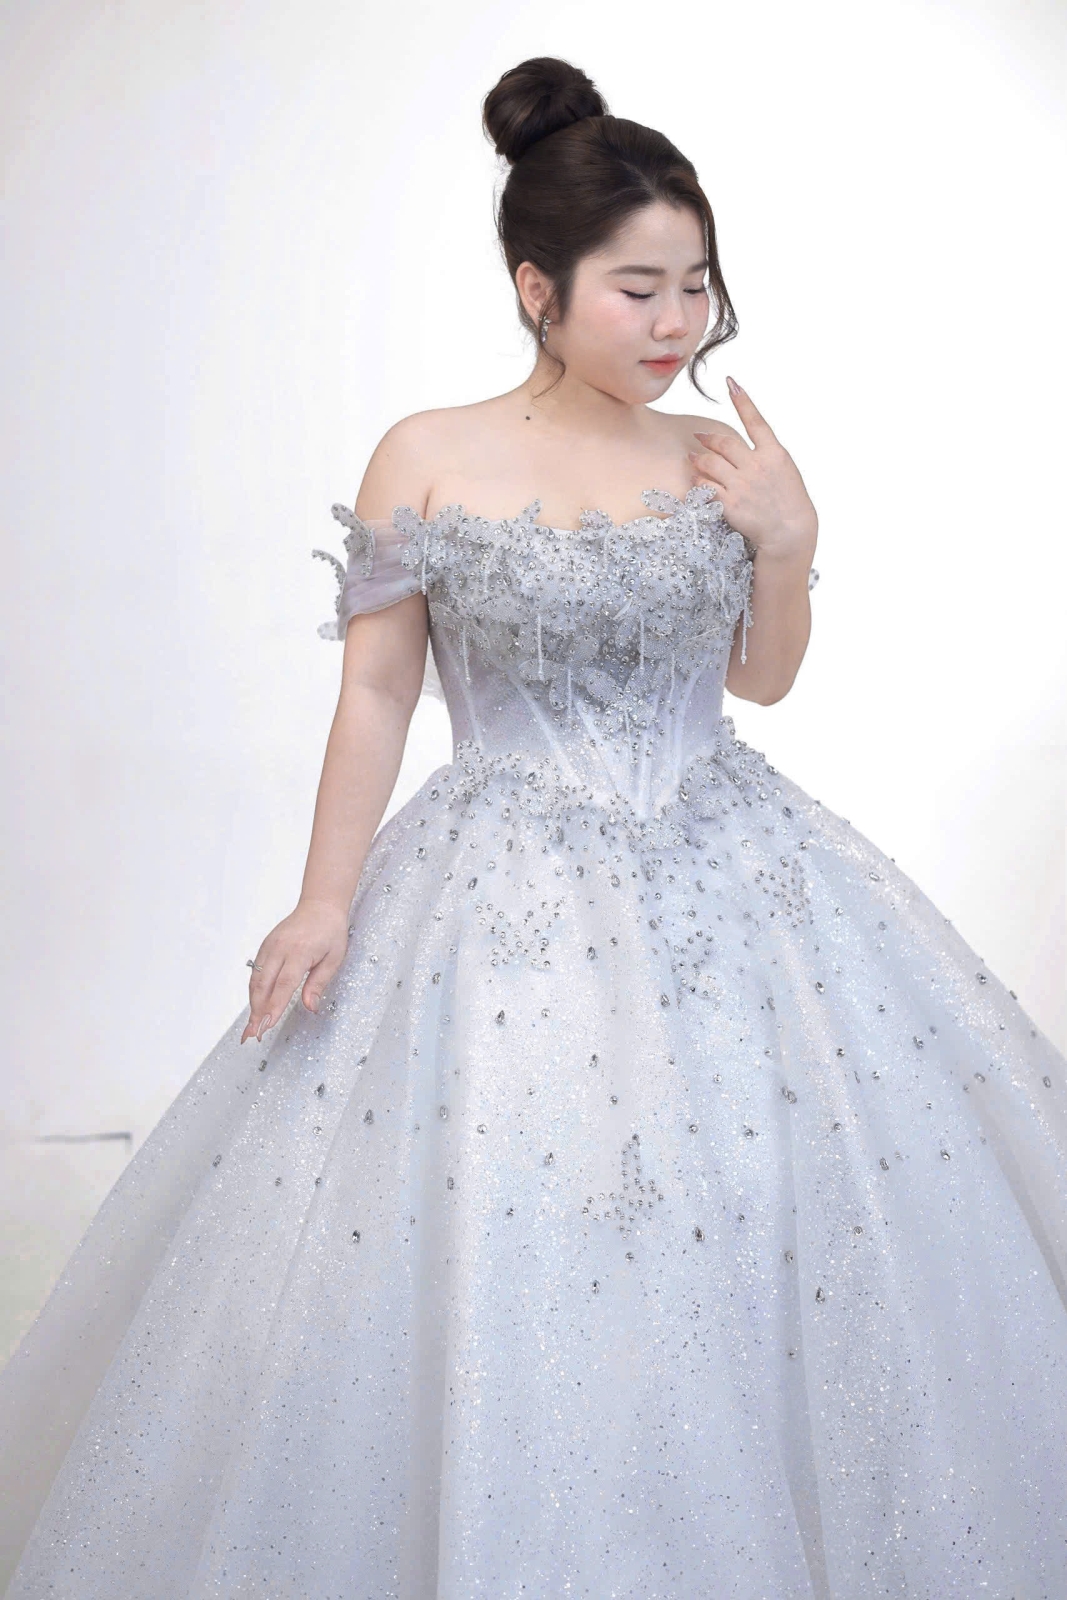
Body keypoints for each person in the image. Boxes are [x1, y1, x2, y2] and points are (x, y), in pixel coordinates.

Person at [2, 54, 1066, 1600]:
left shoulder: (715, 462)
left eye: (696, 285)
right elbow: (378, 693)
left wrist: (790, 543)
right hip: (497, 892)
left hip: (730, 866)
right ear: (536, 289)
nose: (678, 322)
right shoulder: (428, 454)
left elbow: (762, 681)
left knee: (779, 1210)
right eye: (639, 288)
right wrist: (324, 899)